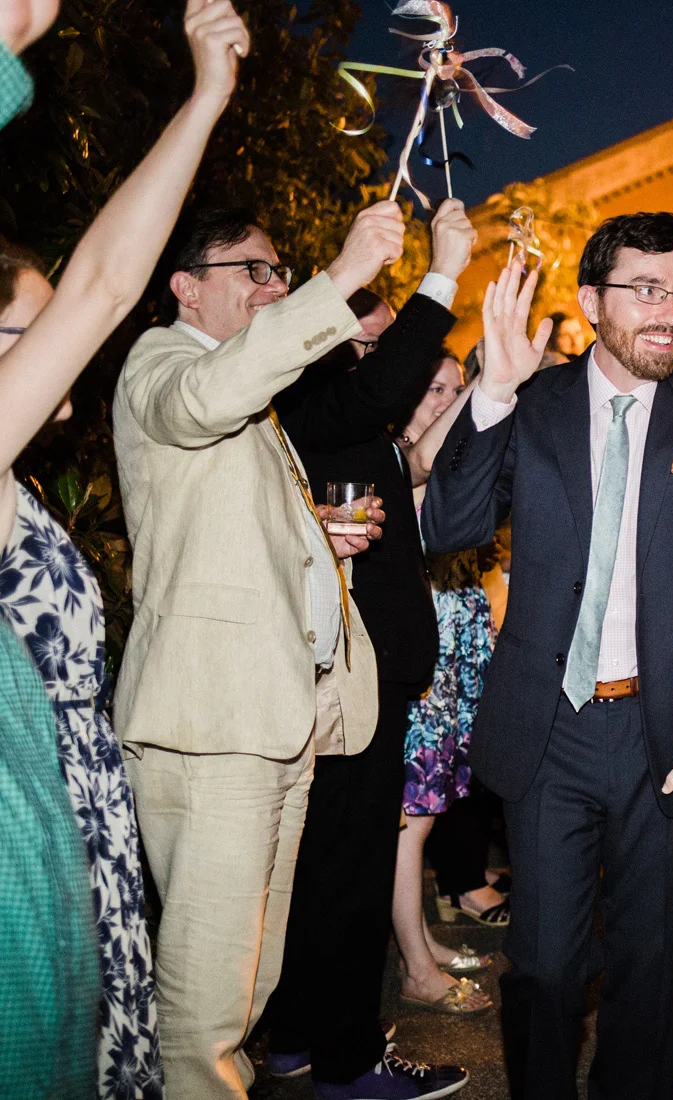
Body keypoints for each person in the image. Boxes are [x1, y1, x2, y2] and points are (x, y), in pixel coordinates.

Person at [419, 212, 673, 1099]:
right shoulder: (532, 403)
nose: (671, 312)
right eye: (646, 290)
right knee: (545, 970)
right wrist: (490, 390)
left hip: (667, 734)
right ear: (590, 300)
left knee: (650, 972)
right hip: (550, 729)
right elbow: (448, 526)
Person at [0, 3, 248, 1094]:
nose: (57, 385)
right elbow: (105, 284)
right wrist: (204, 101)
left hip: (63, 840)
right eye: (26, 338)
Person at [112, 196, 402, 1098]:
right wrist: (341, 279)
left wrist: (315, 531)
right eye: (258, 271)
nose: (275, 287)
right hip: (212, 730)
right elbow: (202, 406)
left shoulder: (248, 390)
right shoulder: (164, 364)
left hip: (272, 723)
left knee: (248, 987)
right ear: (186, 289)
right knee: (205, 1006)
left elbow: (216, 520)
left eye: (282, 272)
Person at [263, 199, 478, 1098]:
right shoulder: (321, 402)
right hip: (350, 679)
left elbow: (412, 435)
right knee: (343, 873)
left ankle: (293, 1035)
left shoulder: (358, 421)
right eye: (367, 342)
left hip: (372, 679)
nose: (383, 360)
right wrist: (440, 276)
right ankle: (349, 1064)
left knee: (325, 866)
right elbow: (383, 388)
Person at [389, 350, 500, 1014]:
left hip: (455, 648)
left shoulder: (452, 462)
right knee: (410, 820)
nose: (446, 401)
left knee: (427, 816)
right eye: (433, 389)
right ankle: (415, 963)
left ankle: (421, 942)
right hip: (420, 654)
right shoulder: (397, 463)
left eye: (456, 390)